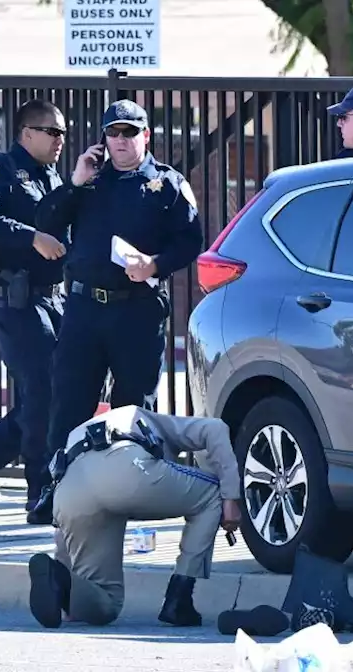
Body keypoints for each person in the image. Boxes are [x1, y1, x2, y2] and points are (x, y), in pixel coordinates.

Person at [38, 100, 204, 489]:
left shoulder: (168, 184)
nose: (120, 140)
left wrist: (155, 265)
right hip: (83, 309)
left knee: (133, 409)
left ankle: (132, 490)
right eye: (113, 133)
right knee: (69, 403)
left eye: (129, 132)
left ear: (146, 136)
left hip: (137, 311)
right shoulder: (89, 181)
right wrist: (75, 182)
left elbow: (190, 242)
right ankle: (58, 491)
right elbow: (46, 221)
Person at [26, 405, 241, 628]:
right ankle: (179, 600)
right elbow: (215, 428)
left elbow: (64, 533)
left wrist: (68, 599)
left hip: (69, 492)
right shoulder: (151, 419)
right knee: (215, 494)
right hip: (126, 468)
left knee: (106, 603)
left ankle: (62, 584)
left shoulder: (78, 434)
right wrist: (231, 497)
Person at [0, 100, 69, 508]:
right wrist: (30, 236)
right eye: (52, 131)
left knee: (57, 392)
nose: (60, 139)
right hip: (18, 299)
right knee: (42, 391)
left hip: (55, 299)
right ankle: (39, 491)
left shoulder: (53, 176)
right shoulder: (0, 171)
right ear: (26, 132)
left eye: (63, 132)